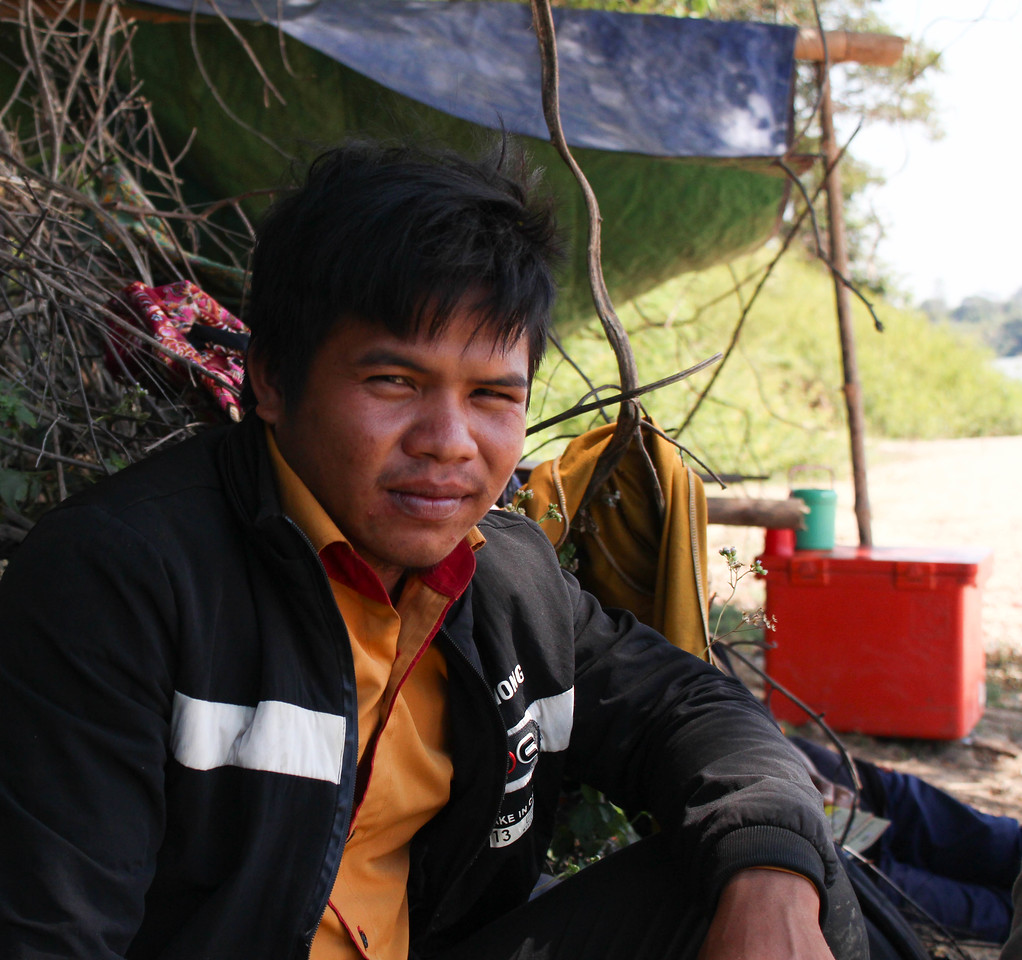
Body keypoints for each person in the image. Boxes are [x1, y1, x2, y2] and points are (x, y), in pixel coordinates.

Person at [0, 138, 866, 960]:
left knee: (783, 866)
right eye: (395, 381)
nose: (450, 441)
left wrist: (770, 880)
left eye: (492, 394)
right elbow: (53, 932)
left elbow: (694, 714)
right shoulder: (121, 579)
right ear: (270, 377)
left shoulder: (505, 579)